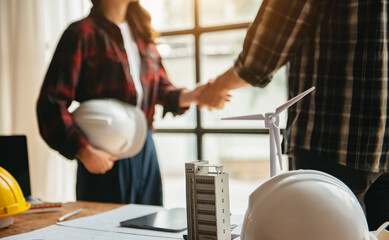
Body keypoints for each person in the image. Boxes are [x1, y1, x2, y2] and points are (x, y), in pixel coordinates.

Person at [199, 0, 389, 230]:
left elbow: (262, 55)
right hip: (381, 146)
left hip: (331, 141)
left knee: (316, 232)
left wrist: (218, 87)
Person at [36, 0, 209, 205]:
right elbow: (50, 103)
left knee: (149, 229)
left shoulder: (142, 34)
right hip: (103, 155)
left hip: (145, 150)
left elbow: (159, 89)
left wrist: (193, 95)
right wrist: (83, 151)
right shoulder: (80, 33)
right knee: (105, 231)